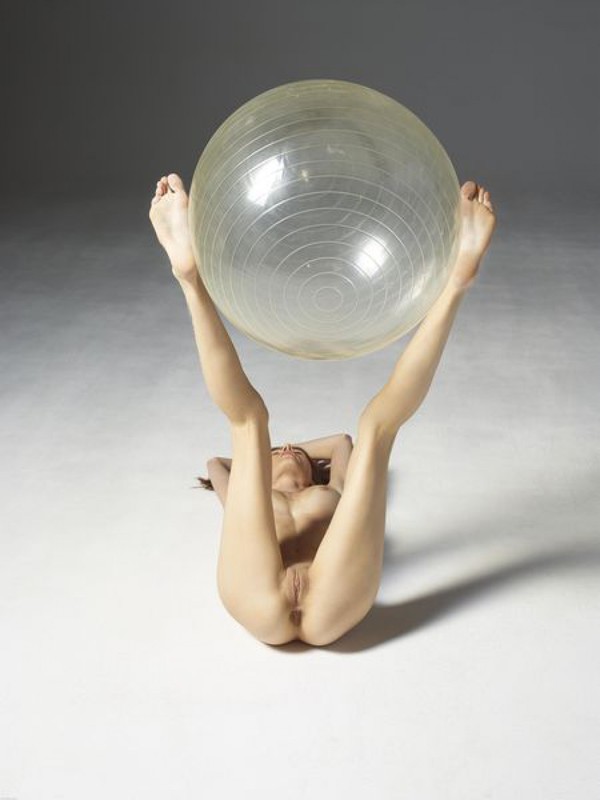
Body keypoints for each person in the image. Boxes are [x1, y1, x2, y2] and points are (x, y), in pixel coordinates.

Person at [149, 173, 496, 647]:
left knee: (373, 427)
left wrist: (277, 455)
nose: (288, 449)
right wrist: (276, 455)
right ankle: (189, 275)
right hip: (257, 595)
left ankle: (458, 280)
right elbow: (217, 463)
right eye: (282, 452)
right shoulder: (246, 491)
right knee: (250, 421)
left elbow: (343, 442)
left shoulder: (332, 486)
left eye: (292, 451)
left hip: (333, 598)